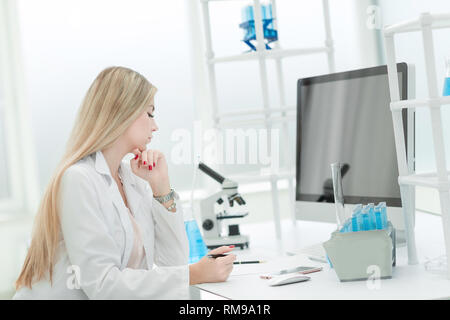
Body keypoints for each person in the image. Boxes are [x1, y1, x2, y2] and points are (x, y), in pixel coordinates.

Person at [13, 66, 236, 299]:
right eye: (149, 113)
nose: (155, 125)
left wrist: (161, 188)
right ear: (123, 112)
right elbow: (102, 286)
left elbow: (174, 262)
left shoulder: (132, 179)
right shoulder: (79, 179)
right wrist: (194, 273)